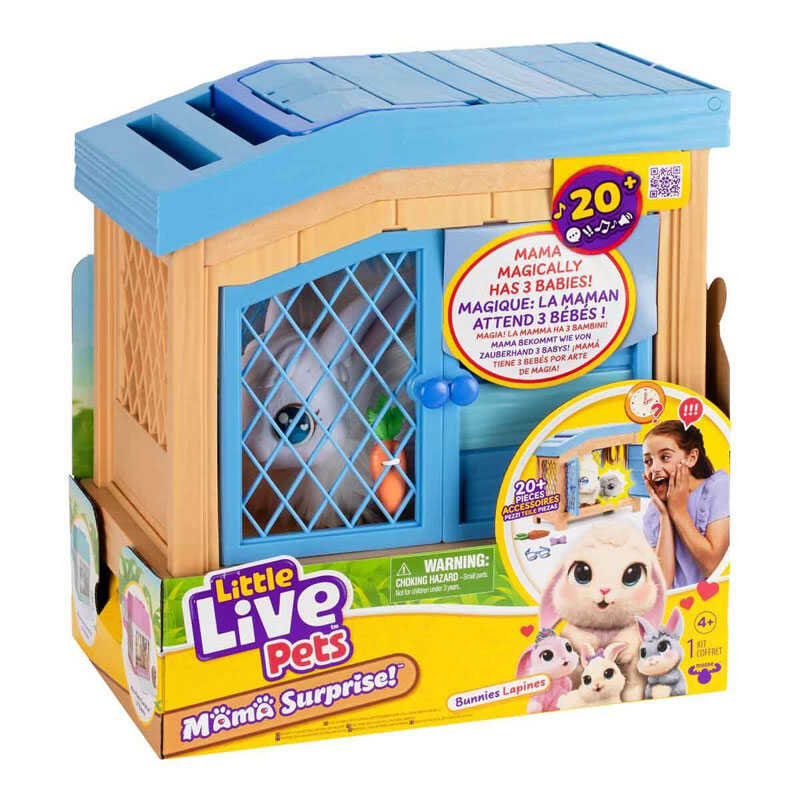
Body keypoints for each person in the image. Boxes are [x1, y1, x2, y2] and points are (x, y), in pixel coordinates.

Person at [641, 420, 729, 588]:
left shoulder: (718, 488)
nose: (654, 468)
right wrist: (665, 514)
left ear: (691, 458)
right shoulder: (654, 511)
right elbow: (662, 586)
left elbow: (714, 568)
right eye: (648, 461)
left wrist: (678, 511)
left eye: (665, 457)